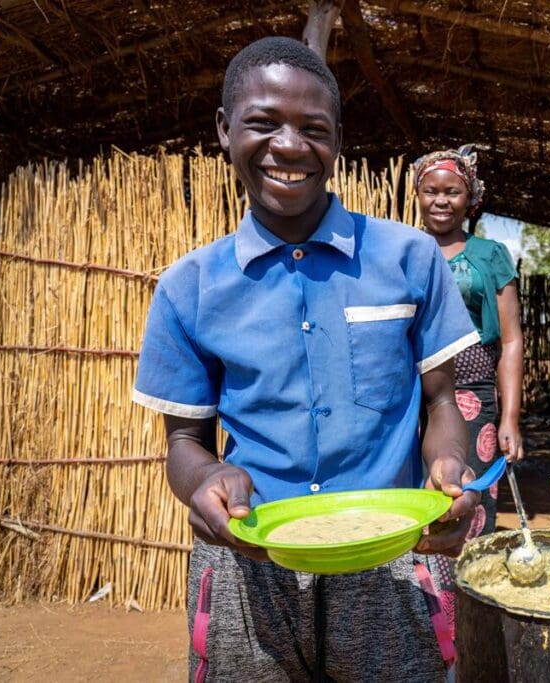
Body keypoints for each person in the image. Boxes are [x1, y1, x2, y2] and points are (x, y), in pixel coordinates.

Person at [132, 37, 480, 682]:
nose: (289, 146)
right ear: (224, 129)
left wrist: (448, 465)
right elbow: (184, 439)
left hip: (391, 556)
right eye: (263, 123)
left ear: (339, 139)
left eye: (312, 129)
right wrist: (205, 480)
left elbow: (441, 401)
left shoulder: (409, 258)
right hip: (250, 562)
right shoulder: (190, 286)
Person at [411, 145, 525, 643]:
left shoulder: (489, 256)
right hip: (408, 396)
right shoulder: (402, 251)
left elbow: (512, 338)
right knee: (411, 501)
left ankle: (467, 631)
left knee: (467, 503)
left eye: (452, 191)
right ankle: (416, 623)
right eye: (430, 191)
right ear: (416, 195)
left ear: (470, 197)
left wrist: (510, 417)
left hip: (473, 397)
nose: (441, 201)